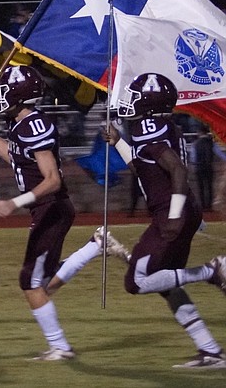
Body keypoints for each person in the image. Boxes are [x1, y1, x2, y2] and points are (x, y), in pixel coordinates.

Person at [104, 73, 226, 368]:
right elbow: (142, 167)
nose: (129, 102)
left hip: (171, 214)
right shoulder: (159, 127)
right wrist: (119, 141)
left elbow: (178, 170)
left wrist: (173, 216)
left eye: (136, 96)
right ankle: (210, 351)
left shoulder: (148, 126)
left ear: (149, 103)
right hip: (179, 211)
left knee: (136, 281)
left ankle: (211, 271)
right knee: (165, 283)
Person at [0, 65, 82, 360]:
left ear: (20, 94)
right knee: (40, 278)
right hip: (47, 209)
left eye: (5, 91)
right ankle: (95, 247)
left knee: (30, 280)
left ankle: (60, 347)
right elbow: (13, 156)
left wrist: (14, 203)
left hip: (51, 208)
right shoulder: (20, 124)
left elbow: (52, 180)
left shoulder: (33, 124)